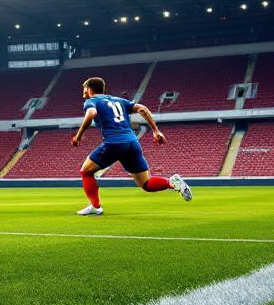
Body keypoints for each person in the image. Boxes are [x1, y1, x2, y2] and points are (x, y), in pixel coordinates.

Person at [70, 76, 192, 216]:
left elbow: (92, 113)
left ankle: (95, 206)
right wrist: (156, 131)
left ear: (90, 89)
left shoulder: (91, 102)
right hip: (132, 143)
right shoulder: (119, 100)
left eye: (84, 89)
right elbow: (143, 109)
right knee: (145, 183)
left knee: (86, 171)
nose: (83, 93)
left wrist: (79, 136)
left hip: (114, 143)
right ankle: (172, 183)